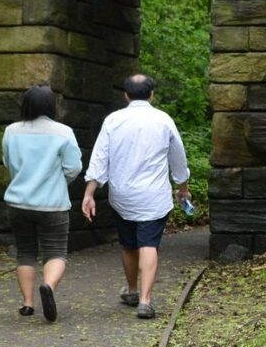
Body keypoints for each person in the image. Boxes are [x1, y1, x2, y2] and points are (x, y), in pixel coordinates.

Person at [81, 74, 189, 319]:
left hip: (122, 195)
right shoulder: (163, 120)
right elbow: (178, 158)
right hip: (154, 195)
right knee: (148, 244)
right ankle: (145, 300)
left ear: (126, 95)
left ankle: (131, 290)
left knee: (129, 244)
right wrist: (182, 187)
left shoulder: (113, 120)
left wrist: (89, 193)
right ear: (152, 94)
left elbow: (99, 159)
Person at [2, 84, 83, 322]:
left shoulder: (11, 131)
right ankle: (47, 286)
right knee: (56, 251)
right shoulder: (64, 132)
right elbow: (74, 167)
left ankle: (27, 304)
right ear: (51, 105)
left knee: (25, 252)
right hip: (53, 204)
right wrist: (58, 182)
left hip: (18, 203)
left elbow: (8, 162)